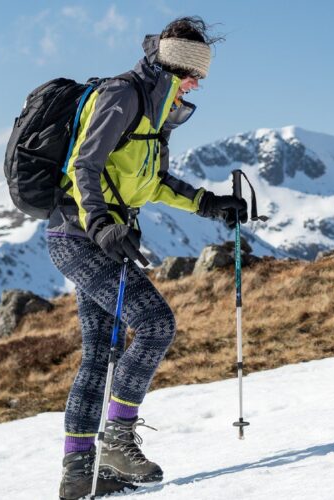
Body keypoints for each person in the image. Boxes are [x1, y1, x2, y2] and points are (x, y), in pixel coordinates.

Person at [46, 16, 247, 499]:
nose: (199, 83)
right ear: (175, 67)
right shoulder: (124, 96)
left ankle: (81, 474)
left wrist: (207, 202)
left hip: (106, 238)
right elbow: (85, 165)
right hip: (79, 237)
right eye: (194, 73)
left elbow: (151, 182)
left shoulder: (156, 112)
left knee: (99, 354)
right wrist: (98, 223)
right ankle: (116, 442)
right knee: (156, 325)